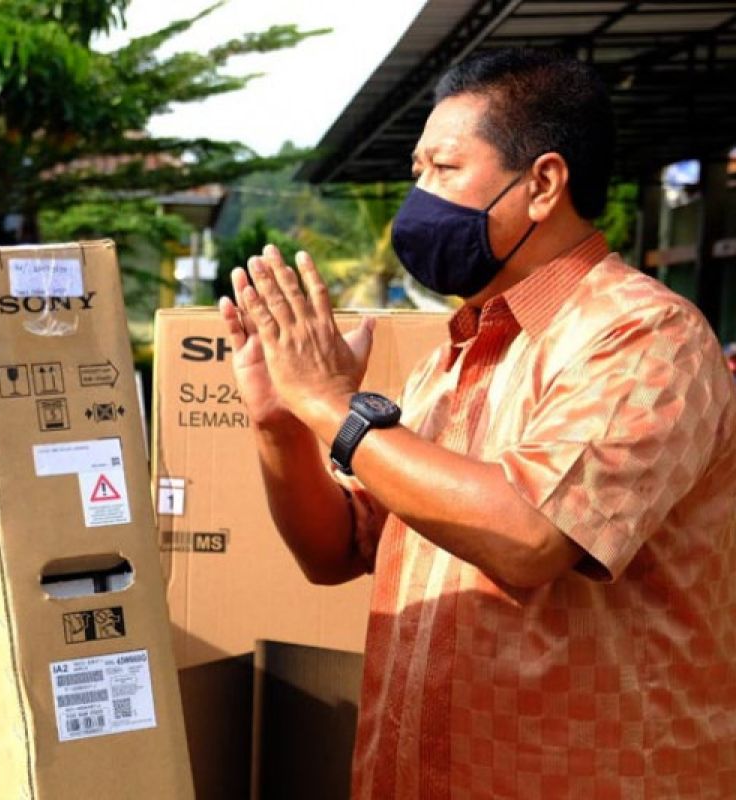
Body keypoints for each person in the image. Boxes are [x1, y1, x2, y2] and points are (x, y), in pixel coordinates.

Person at [221, 49, 736, 797]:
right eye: (417, 172)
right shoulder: (458, 354)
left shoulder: (645, 337)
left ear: (543, 184)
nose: (419, 197)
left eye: (444, 169)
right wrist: (280, 424)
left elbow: (530, 536)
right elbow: (338, 548)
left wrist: (333, 405)